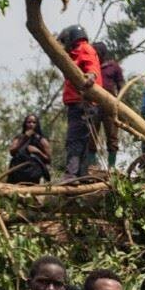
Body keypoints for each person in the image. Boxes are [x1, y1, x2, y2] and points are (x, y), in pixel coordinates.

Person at [58, 25, 101, 179]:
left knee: (74, 139)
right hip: (77, 103)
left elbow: (92, 67)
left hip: (82, 103)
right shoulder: (74, 53)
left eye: (65, 41)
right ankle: (81, 175)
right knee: (81, 140)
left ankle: (71, 175)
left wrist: (91, 76)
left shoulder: (84, 49)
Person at [94, 42, 124, 170]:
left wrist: (119, 103)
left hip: (110, 107)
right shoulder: (92, 66)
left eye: (96, 53)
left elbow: (121, 85)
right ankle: (92, 166)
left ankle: (111, 167)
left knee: (112, 137)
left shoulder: (114, 67)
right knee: (91, 137)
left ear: (102, 53)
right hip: (94, 106)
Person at [7, 114, 52, 184]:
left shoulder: (42, 140)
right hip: (17, 171)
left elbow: (48, 160)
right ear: (25, 124)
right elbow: (12, 152)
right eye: (29, 122)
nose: (31, 124)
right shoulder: (19, 138)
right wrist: (24, 139)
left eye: (34, 122)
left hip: (33, 174)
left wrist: (37, 151)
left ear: (37, 124)